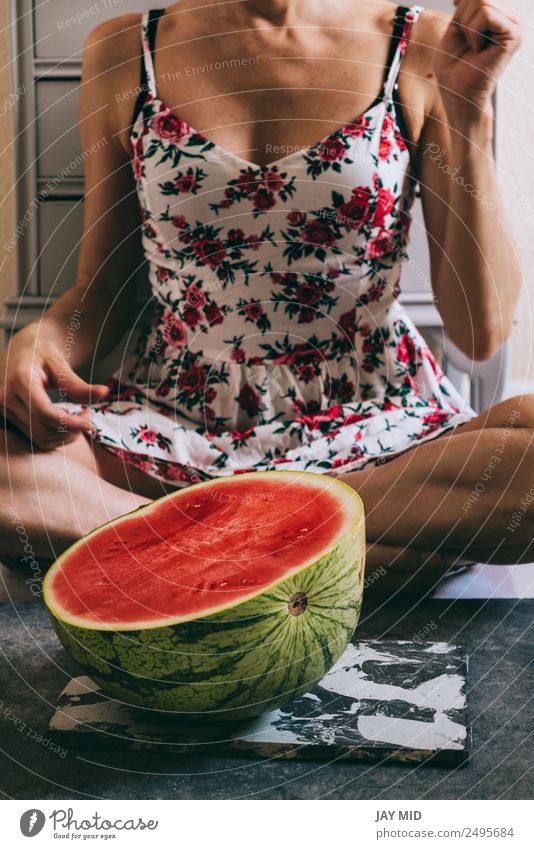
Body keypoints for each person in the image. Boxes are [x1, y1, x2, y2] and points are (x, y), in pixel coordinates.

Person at [0, 0, 528, 596]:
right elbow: (100, 294)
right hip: (175, 422)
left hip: (377, 426)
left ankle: (178, 552)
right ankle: (323, 550)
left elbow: (481, 333)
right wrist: (37, 340)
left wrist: (469, 107)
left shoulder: (429, 47)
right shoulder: (126, 49)